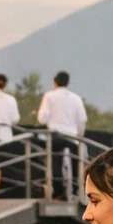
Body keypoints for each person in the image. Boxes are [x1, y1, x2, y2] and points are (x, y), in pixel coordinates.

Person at [37, 72, 87, 200]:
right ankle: (75, 190)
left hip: (55, 135)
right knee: (75, 163)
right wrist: (79, 135)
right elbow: (82, 119)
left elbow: (42, 118)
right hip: (72, 136)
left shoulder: (49, 96)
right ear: (68, 83)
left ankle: (58, 192)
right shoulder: (76, 98)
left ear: (54, 82)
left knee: (55, 162)